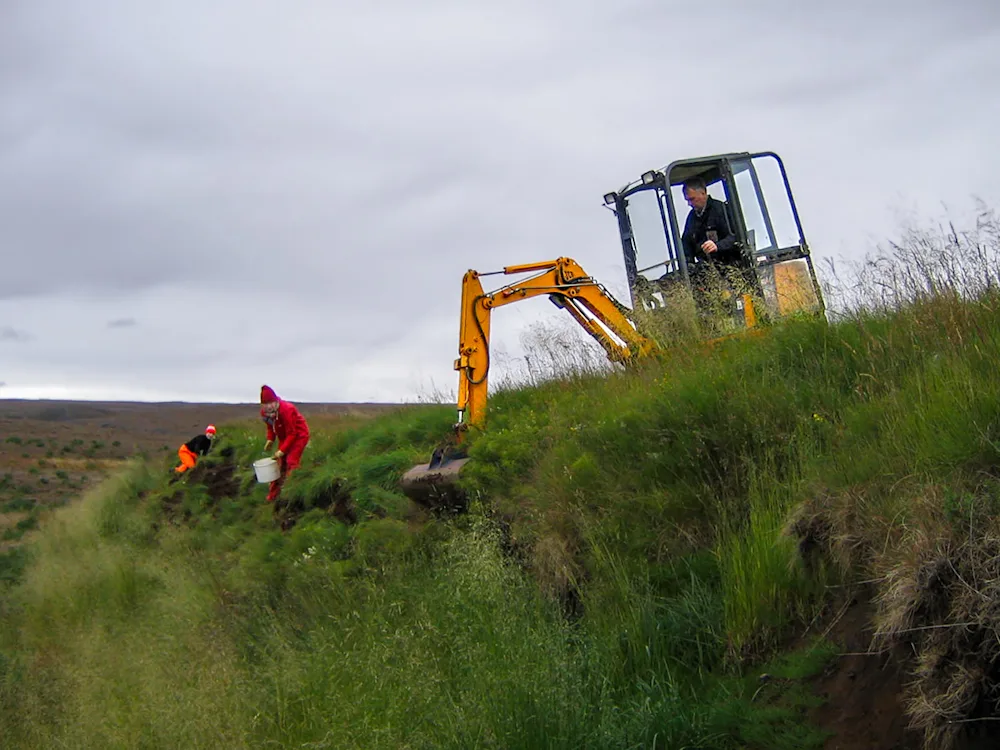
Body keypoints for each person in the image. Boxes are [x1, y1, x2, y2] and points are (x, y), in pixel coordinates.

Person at [259, 385, 310, 503]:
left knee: (292, 461)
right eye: (266, 404)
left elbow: (292, 433)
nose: (269, 406)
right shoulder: (265, 413)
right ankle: (273, 495)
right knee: (278, 466)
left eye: (271, 402)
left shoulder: (287, 410)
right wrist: (270, 439)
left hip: (299, 436)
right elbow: (270, 427)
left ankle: (291, 490)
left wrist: (282, 450)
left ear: (276, 401)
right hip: (284, 437)